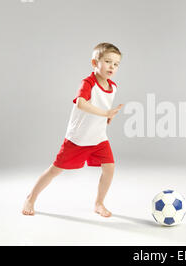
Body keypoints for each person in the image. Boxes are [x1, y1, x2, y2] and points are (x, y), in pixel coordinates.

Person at [22, 42, 124, 218]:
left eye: (116, 64)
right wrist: (105, 112)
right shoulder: (88, 83)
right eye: (108, 61)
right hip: (78, 138)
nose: (112, 67)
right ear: (95, 63)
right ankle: (31, 197)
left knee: (110, 168)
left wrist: (109, 116)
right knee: (56, 170)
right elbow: (81, 103)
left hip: (98, 138)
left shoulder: (113, 87)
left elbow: (103, 106)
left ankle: (99, 203)